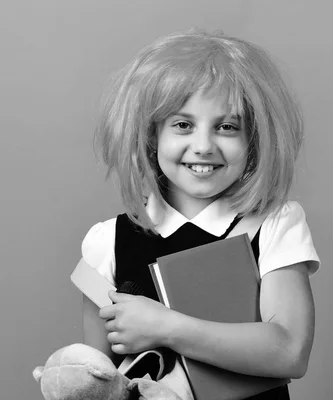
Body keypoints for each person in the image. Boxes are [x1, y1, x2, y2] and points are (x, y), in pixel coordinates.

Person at [80, 29, 320, 400]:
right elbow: (97, 379)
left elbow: (290, 352)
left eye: (227, 127)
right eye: (182, 125)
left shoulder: (274, 224)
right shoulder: (105, 241)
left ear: (254, 139)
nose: (204, 146)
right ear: (150, 136)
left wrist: (167, 327)